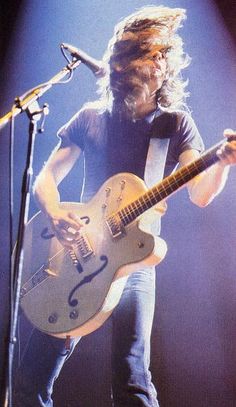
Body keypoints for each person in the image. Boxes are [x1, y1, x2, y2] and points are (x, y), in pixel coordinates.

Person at [14, 5, 236, 407]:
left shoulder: (174, 124)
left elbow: (201, 194)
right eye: (119, 55)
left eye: (135, 56)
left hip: (131, 263)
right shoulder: (90, 117)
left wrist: (221, 164)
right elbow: (45, 178)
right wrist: (54, 212)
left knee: (132, 380)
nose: (121, 67)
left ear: (160, 65)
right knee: (30, 382)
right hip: (75, 254)